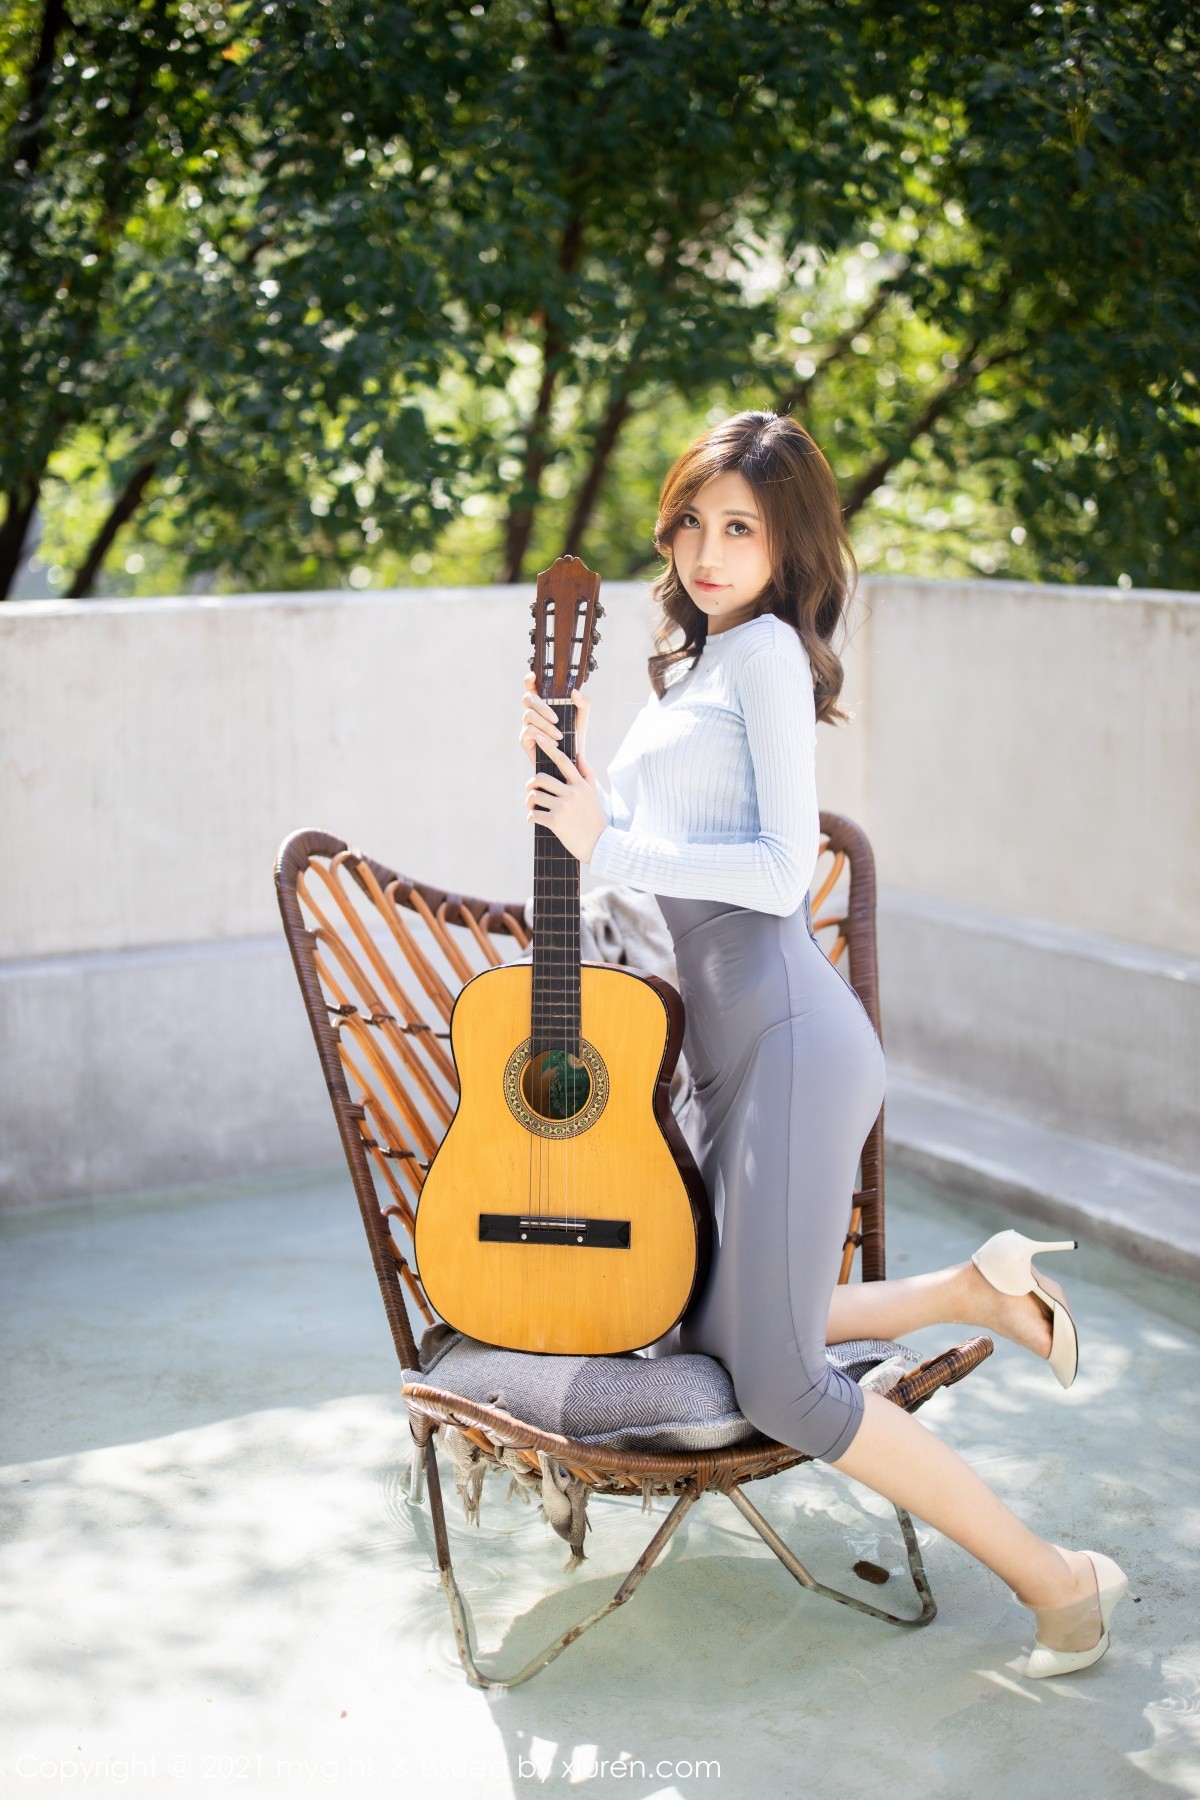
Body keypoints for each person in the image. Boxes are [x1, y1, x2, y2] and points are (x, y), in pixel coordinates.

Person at [517, 409, 1128, 1678]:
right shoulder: (695, 669)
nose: (707, 551)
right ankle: (975, 1293)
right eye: (692, 523)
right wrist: (563, 769)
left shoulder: (768, 662)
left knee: (786, 1385)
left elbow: (782, 868)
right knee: (688, 1316)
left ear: (790, 544)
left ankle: (1061, 1584)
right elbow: (629, 852)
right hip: (723, 1053)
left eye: (740, 528)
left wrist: (606, 837)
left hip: (793, 1037)